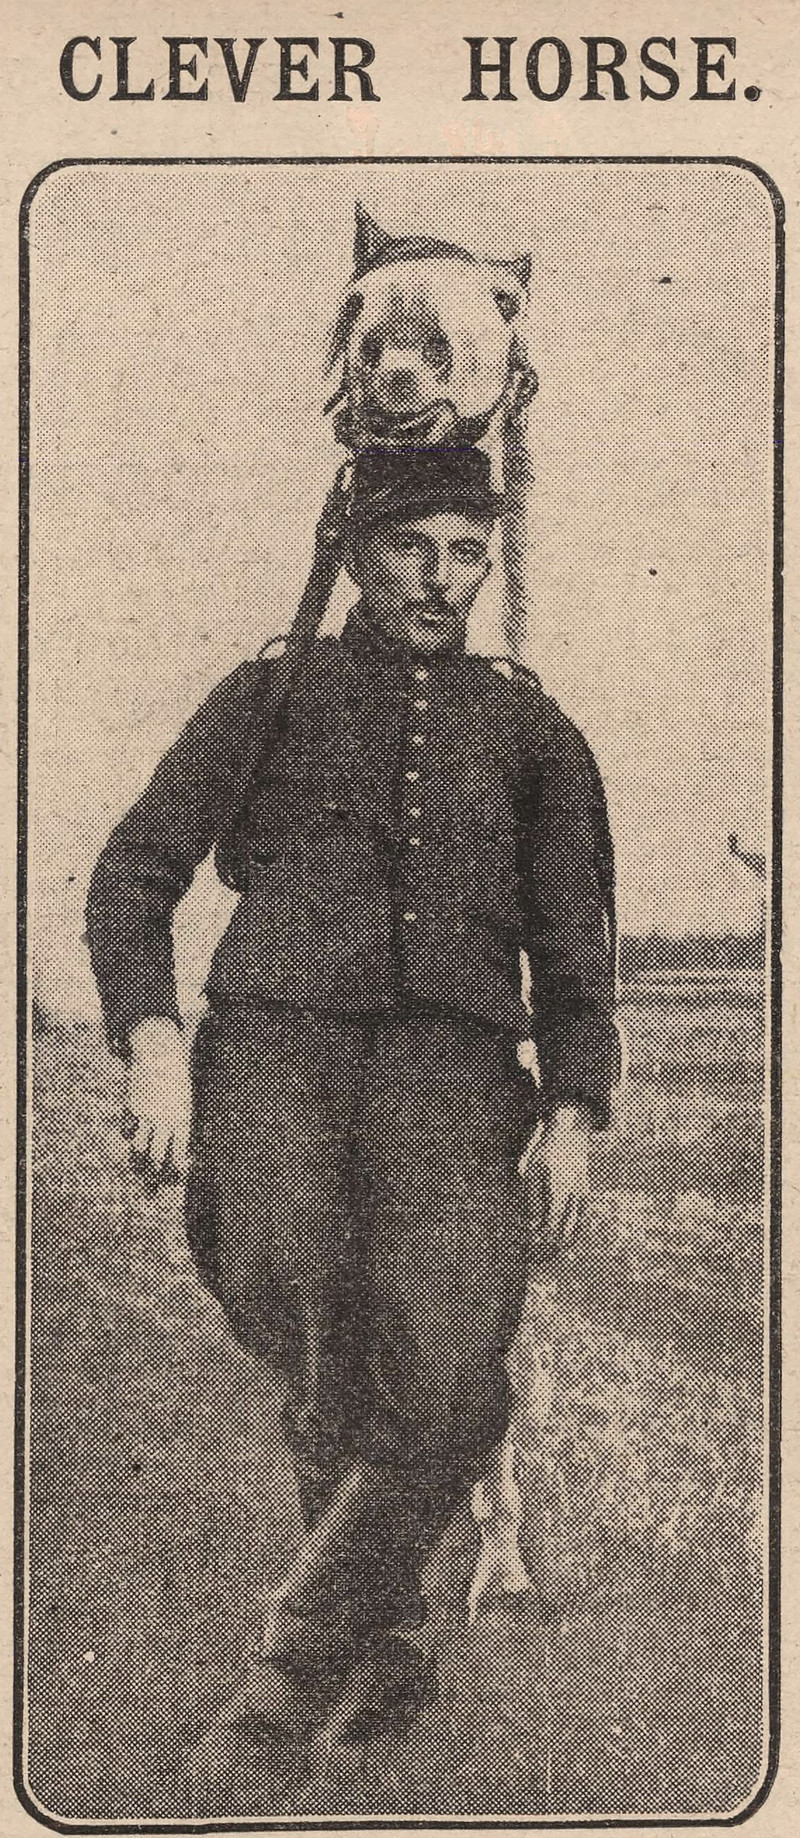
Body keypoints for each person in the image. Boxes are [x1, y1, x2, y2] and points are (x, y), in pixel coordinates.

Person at [86, 444, 622, 1747]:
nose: (442, 579)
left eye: (467, 555)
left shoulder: (533, 729)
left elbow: (574, 945)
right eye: (412, 549)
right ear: (357, 552)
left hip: (454, 1078)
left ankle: (302, 1659)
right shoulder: (269, 693)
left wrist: (571, 1113)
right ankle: (379, 1643)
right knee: (294, 1299)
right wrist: (152, 1040)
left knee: (452, 1376)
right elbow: (134, 873)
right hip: (276, 1055)